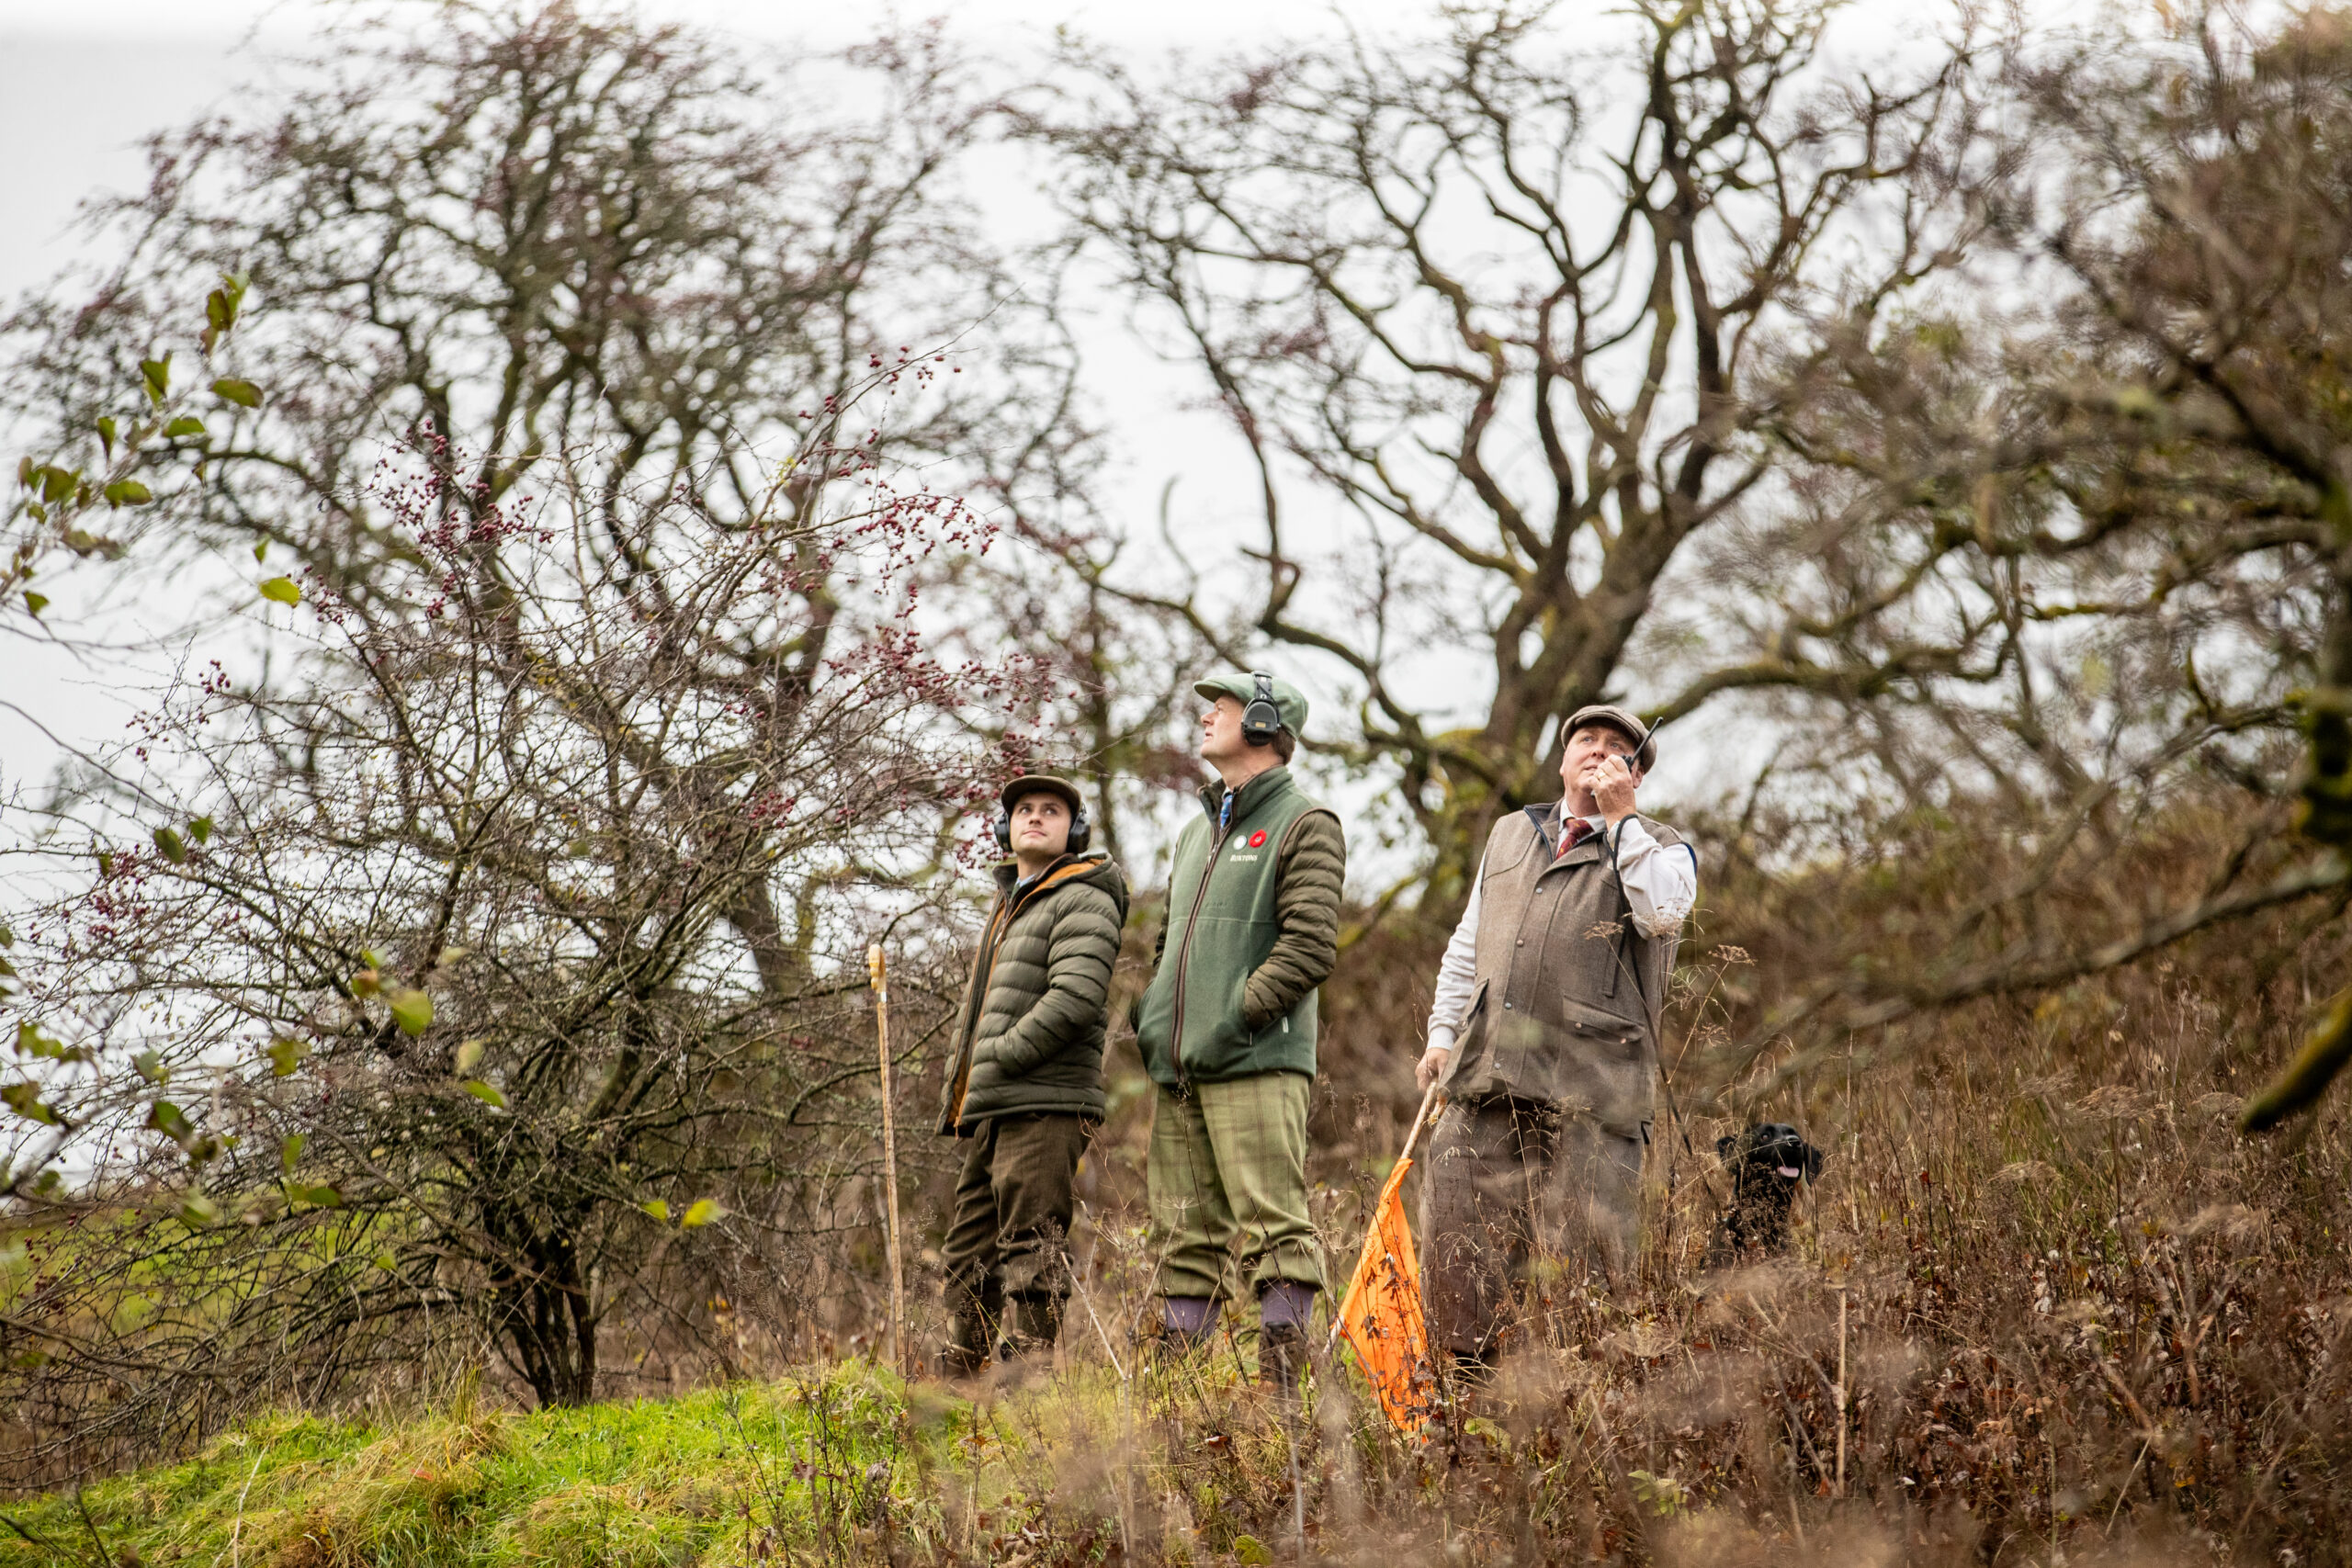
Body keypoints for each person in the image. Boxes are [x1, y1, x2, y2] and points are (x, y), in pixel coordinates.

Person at [1414, 705, 1698, 1372]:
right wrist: (1442, 1030)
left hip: (1593, 1094)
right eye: (1586, 741)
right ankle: (1460, 1406)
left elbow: (1661, 913)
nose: (1598, 752)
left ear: (1636, 772)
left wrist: (1622, 817)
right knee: (1459, 1250)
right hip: (1488, 1076)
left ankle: (1579, 1418)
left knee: (1589, 1278)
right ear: (1563, 758)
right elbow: (1467, 942)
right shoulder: (1511, 833)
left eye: (1617, 748)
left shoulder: (1664, 847)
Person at [1133, 672, 1346, 1394]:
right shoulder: (1196, 831)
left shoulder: (1306, 820)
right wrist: (1155, 1014)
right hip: (1182, 1066)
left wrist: (1237, 1014)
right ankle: (1177, 1414)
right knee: (1182, 1239)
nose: (1204, 715)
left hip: (1256, 1059)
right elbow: (1167, 944)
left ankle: (1281, 1405)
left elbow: (1311, 946)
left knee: (1274, 1231)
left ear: (1262, 721)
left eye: (1218, 707)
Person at [933, 774, 1129, 1377]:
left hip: (1044, 1101)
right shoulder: (1013, 901)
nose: (1035, 817)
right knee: (967, 1255)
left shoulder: (1083, 896)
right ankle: (961, 1390)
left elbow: (1075, 998)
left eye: (1051, 810)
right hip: (997, 1103)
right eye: (1023, 809)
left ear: (1074, 829)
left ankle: (1027, 1396)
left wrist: (1001, 1054)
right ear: (1005, 828)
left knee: (1032, 1251)